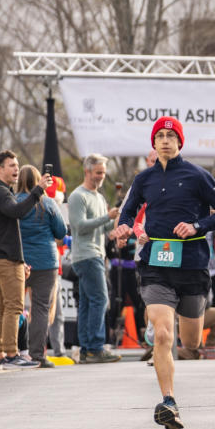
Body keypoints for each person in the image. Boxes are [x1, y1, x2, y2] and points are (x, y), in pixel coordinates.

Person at [115, 116, 215, 429]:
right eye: (160, 136)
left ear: (180, 142)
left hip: (193, 264)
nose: (166, 140)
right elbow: (128, 209)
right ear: (153, 143)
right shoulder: (144, 179)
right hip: (156, 263)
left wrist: (197, 225)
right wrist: (125, 225)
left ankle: (184, 340)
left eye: (171, 136)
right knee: (165, 333)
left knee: (192, 341)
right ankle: (168, 401)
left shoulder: (197, 176)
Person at [0, 150, 50, 369]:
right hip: (5, 260)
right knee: (13, 307)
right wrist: (38, 190)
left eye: (17, 165)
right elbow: (17, 212)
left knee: (1, 307)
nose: (16, 169)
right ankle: (12, 355)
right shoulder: (0, 192)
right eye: (11, 165)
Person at [67, 154, 123, 363]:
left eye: (103, 173)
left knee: (89, 303)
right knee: (100, 299)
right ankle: (95, 346)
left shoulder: (99, 198)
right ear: (87, 171)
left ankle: (86, 348)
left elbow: (104, 227)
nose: (101, 177)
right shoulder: (77, 197)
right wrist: (107, 218)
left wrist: (116, 220)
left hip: (96, 253)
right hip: (86, 255)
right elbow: (79, 226)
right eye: (98, 172)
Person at [16, 165, 70, 367]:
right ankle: (37, 354)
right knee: (41, 308)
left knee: (13, 306)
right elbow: (61, 231)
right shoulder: (47, 203)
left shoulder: (12, 202)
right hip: (46, 262)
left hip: (19, 260)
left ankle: (13, 351)